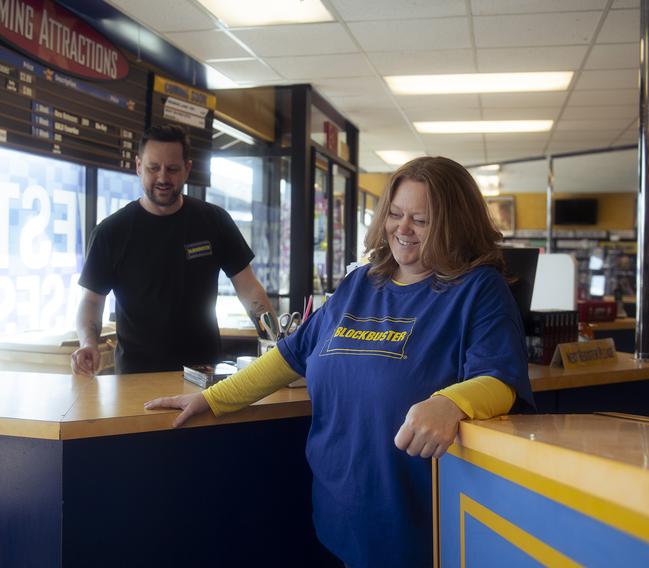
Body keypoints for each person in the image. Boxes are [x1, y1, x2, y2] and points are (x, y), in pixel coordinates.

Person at [145, 156, 534, 567]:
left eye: (420, 220)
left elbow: (500, 379)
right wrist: (212, 399)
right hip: (339, 509)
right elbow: (291, 356)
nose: (402, 229)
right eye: (396, 214)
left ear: (454, 225)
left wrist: (450, 403)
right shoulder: (361, 283)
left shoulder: (479, 290)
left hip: (417, 522)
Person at [71, 125, 275, 375]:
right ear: (138, 166)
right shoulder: (110, 232)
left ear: (187, 169)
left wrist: (275, 339)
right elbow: (92, 300)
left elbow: (248, 287)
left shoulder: (214, 221)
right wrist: (88, 343)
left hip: (204, 373)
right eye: (153, 168)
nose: (163, 178)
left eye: (172, 169)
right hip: (136, 376)